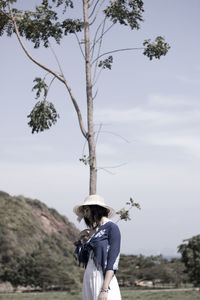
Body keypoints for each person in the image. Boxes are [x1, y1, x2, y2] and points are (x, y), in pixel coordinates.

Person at [73, 194, 122, 300]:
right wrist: (80, 241)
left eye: (86, 210)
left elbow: (113, 261)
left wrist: (104, 289)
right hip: (89, 276)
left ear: (95, 209)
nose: (85, 215)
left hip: (102, 278)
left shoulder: (111, 228)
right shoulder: (93, 231)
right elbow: (83, 259)